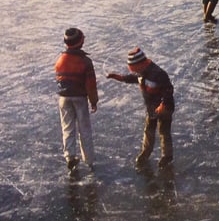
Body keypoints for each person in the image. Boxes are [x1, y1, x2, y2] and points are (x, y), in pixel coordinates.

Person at [106, 48, 175, 168]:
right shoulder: (141, 72)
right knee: (148, 131)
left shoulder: (158, 74)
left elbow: (168, 90)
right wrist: (120, 78)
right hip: (151, 108)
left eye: (135, 69)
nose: (135, 72)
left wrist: (163, 104)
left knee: (164, 132)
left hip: (164, 109)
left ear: (141, 64)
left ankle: (167, 156)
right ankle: (145, 153)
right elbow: (134, 78)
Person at [54, 28, 98, 172]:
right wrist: (93, 101)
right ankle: (89, 160)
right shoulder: (85, 62)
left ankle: (70, 157)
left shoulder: (60, 60)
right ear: (80, 41)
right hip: (79, 98)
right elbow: (90, 85)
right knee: (84, 129)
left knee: (67, 128)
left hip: (63, 98)